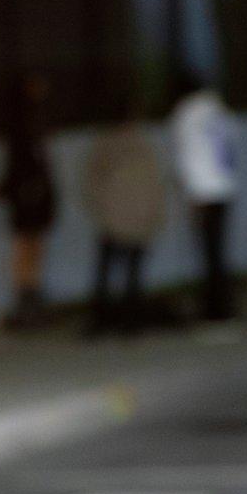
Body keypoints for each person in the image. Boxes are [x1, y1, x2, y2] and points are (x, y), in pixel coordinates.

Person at [83, 113, 166, 335]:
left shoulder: (104, 145)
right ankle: (130, 321)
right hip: (137, 219)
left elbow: (91, 183)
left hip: (114, 219)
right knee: (131, 270)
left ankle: (102, 320)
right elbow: (155, 183)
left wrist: (101, 211)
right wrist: (154, 215)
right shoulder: (142, 144)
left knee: (108, 269)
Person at [170, 79, 238, 321]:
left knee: (209, 253)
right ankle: (223, 305)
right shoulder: (219, 109)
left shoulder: (187, 112)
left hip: (203, 192)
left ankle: (217, 310)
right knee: (218, 251)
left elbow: (186, 154)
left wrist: (190, 191)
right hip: (225, 188)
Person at [0, 72, 57, 329]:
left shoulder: (35, 123)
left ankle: (30, 299)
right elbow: (18, 164)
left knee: (32, 247)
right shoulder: (22, 126)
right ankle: (25, 302)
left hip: (34, 195)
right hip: (26, 195)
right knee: (25, 247)